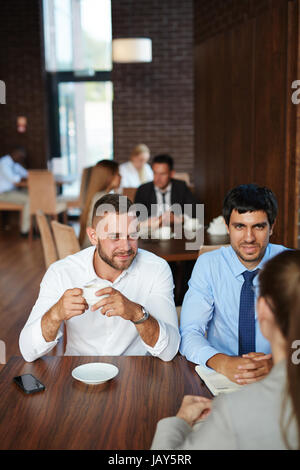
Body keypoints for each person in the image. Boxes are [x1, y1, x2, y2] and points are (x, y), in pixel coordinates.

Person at [151, 250, 300, 450]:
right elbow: (190, 333)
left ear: (262, 308)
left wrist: (180, 421)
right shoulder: (210, 265)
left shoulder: (233, 412)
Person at [19, 194, 180, 362]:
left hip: (136, 372)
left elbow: (169, 351)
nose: (125, 246)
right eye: (115, 236)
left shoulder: (156, 269)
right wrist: (55, 314)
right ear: (93, 236)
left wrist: (136, 313)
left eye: (132, 235)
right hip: (78, 370)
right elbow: (28, 351)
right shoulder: (62, 272)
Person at [180, 184, 288, 384]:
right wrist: (222, 362)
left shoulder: (291, 264)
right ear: (227, 226)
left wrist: (278, 362)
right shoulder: (208, 265)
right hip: (221, 374)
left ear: (272, 226)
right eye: (240, 226)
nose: (249, 238)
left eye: (259, 226)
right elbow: (189, 332)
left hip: (279, 376)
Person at [134, 154, 197, 226]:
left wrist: (179, 219)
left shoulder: (181, 187)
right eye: (155, 173)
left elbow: (195, 212)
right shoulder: (143, 190)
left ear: (171, 174)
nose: (157, 178)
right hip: (150, 232)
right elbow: (136, 217)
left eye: (162, 174)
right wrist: (155, 221)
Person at [79, 159, 121, 247]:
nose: (121, 176)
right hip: (96, 249)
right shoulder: (103, 198)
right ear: (109, 176)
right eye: (117, 174)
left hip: (88, 246)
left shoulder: (96, 195)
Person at [0, 147, 29, 234]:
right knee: (30, 199)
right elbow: (13, 179)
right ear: (15, 153)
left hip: (12, 192)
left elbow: (26, 174)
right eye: (20, 157)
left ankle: (35, 227)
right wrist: (21, 177)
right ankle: (25, 230)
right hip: (3, 194)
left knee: (34, 195)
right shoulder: (3, 163)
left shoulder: (15, 163)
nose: (21, 159)